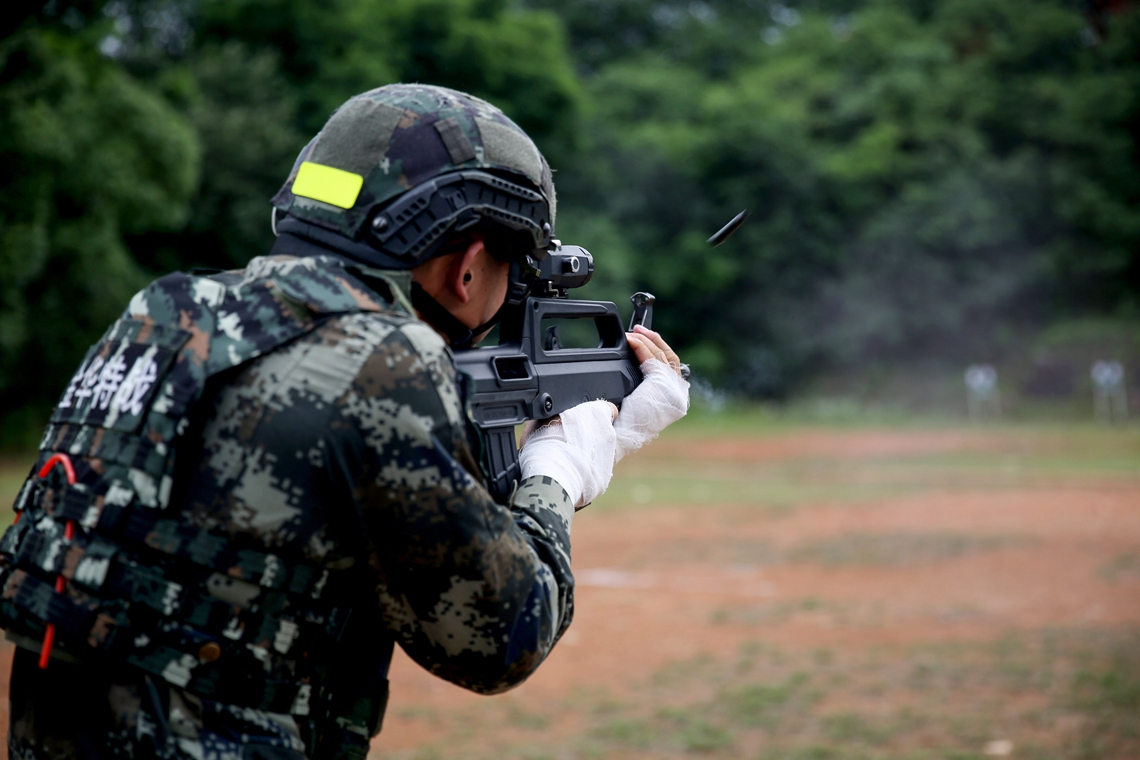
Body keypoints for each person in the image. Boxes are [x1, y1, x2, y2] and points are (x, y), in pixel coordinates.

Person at [0, 84, 689, 760]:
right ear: (470, 266)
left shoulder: (165, 313)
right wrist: (560, 470)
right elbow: (503, 636)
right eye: (515, 265)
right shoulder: (379, 361)